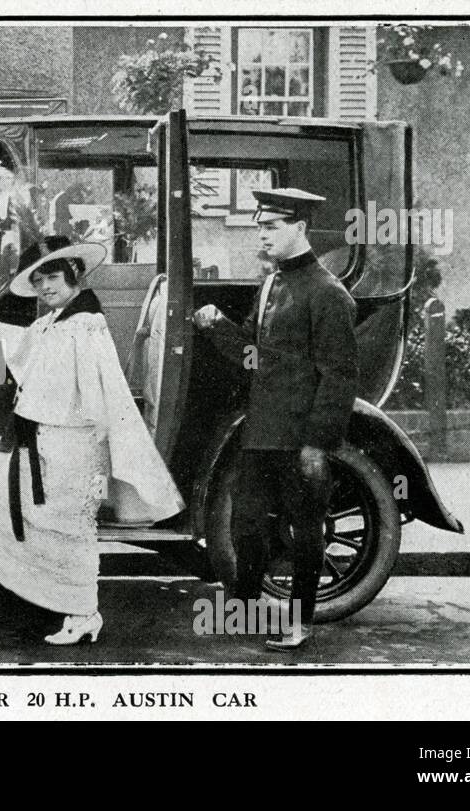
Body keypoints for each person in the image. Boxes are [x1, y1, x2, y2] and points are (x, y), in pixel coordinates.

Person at [0, 236, 184, 645]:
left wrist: (98, 436)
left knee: (71, 525)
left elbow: (100, 381)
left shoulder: (85, 322)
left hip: (75, 438)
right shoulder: (56, 320)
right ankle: (47, 593)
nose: (46, 287)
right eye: (39, 280)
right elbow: (25, 342)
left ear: (74, 275)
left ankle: (82, 612)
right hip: (43, 434)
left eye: (53, 278)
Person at [191, 188, 359, 651]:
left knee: (305, 531)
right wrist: (216, 325)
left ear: (300, 229)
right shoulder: (270, 286)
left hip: (300, 437)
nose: (261, 235)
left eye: (272, 227)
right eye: (260, 226)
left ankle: (300, 624)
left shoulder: (328, 293)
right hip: (261, 433)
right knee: (247, 526)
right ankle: (246, 613)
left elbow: (340, 376)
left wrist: (316, 447)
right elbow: (254, 356)